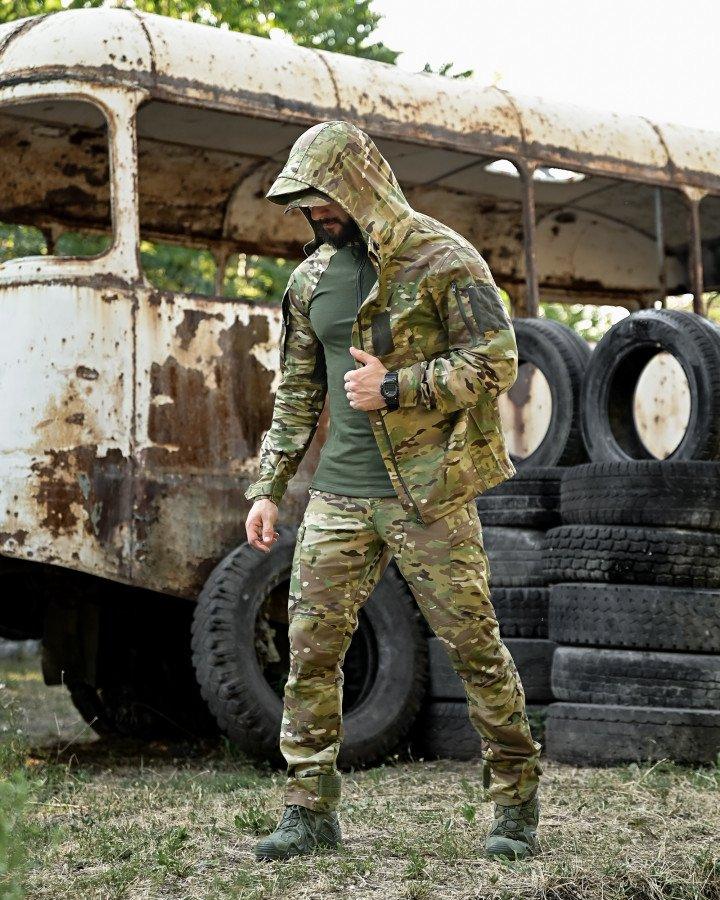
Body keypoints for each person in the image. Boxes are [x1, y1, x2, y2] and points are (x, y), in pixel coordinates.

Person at [244, 120, 542, 863]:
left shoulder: (444, 259)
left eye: (323, 197)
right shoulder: (309, 280)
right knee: (310, 650)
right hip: (338, 497)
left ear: (359, 184)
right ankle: (309, 810)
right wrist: (269, 486)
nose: (314, 213)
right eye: (304, 203)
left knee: (473, 648)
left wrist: (397, 387)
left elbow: (497, 360)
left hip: (428, 493)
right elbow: (298, 391)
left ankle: (514, 804)